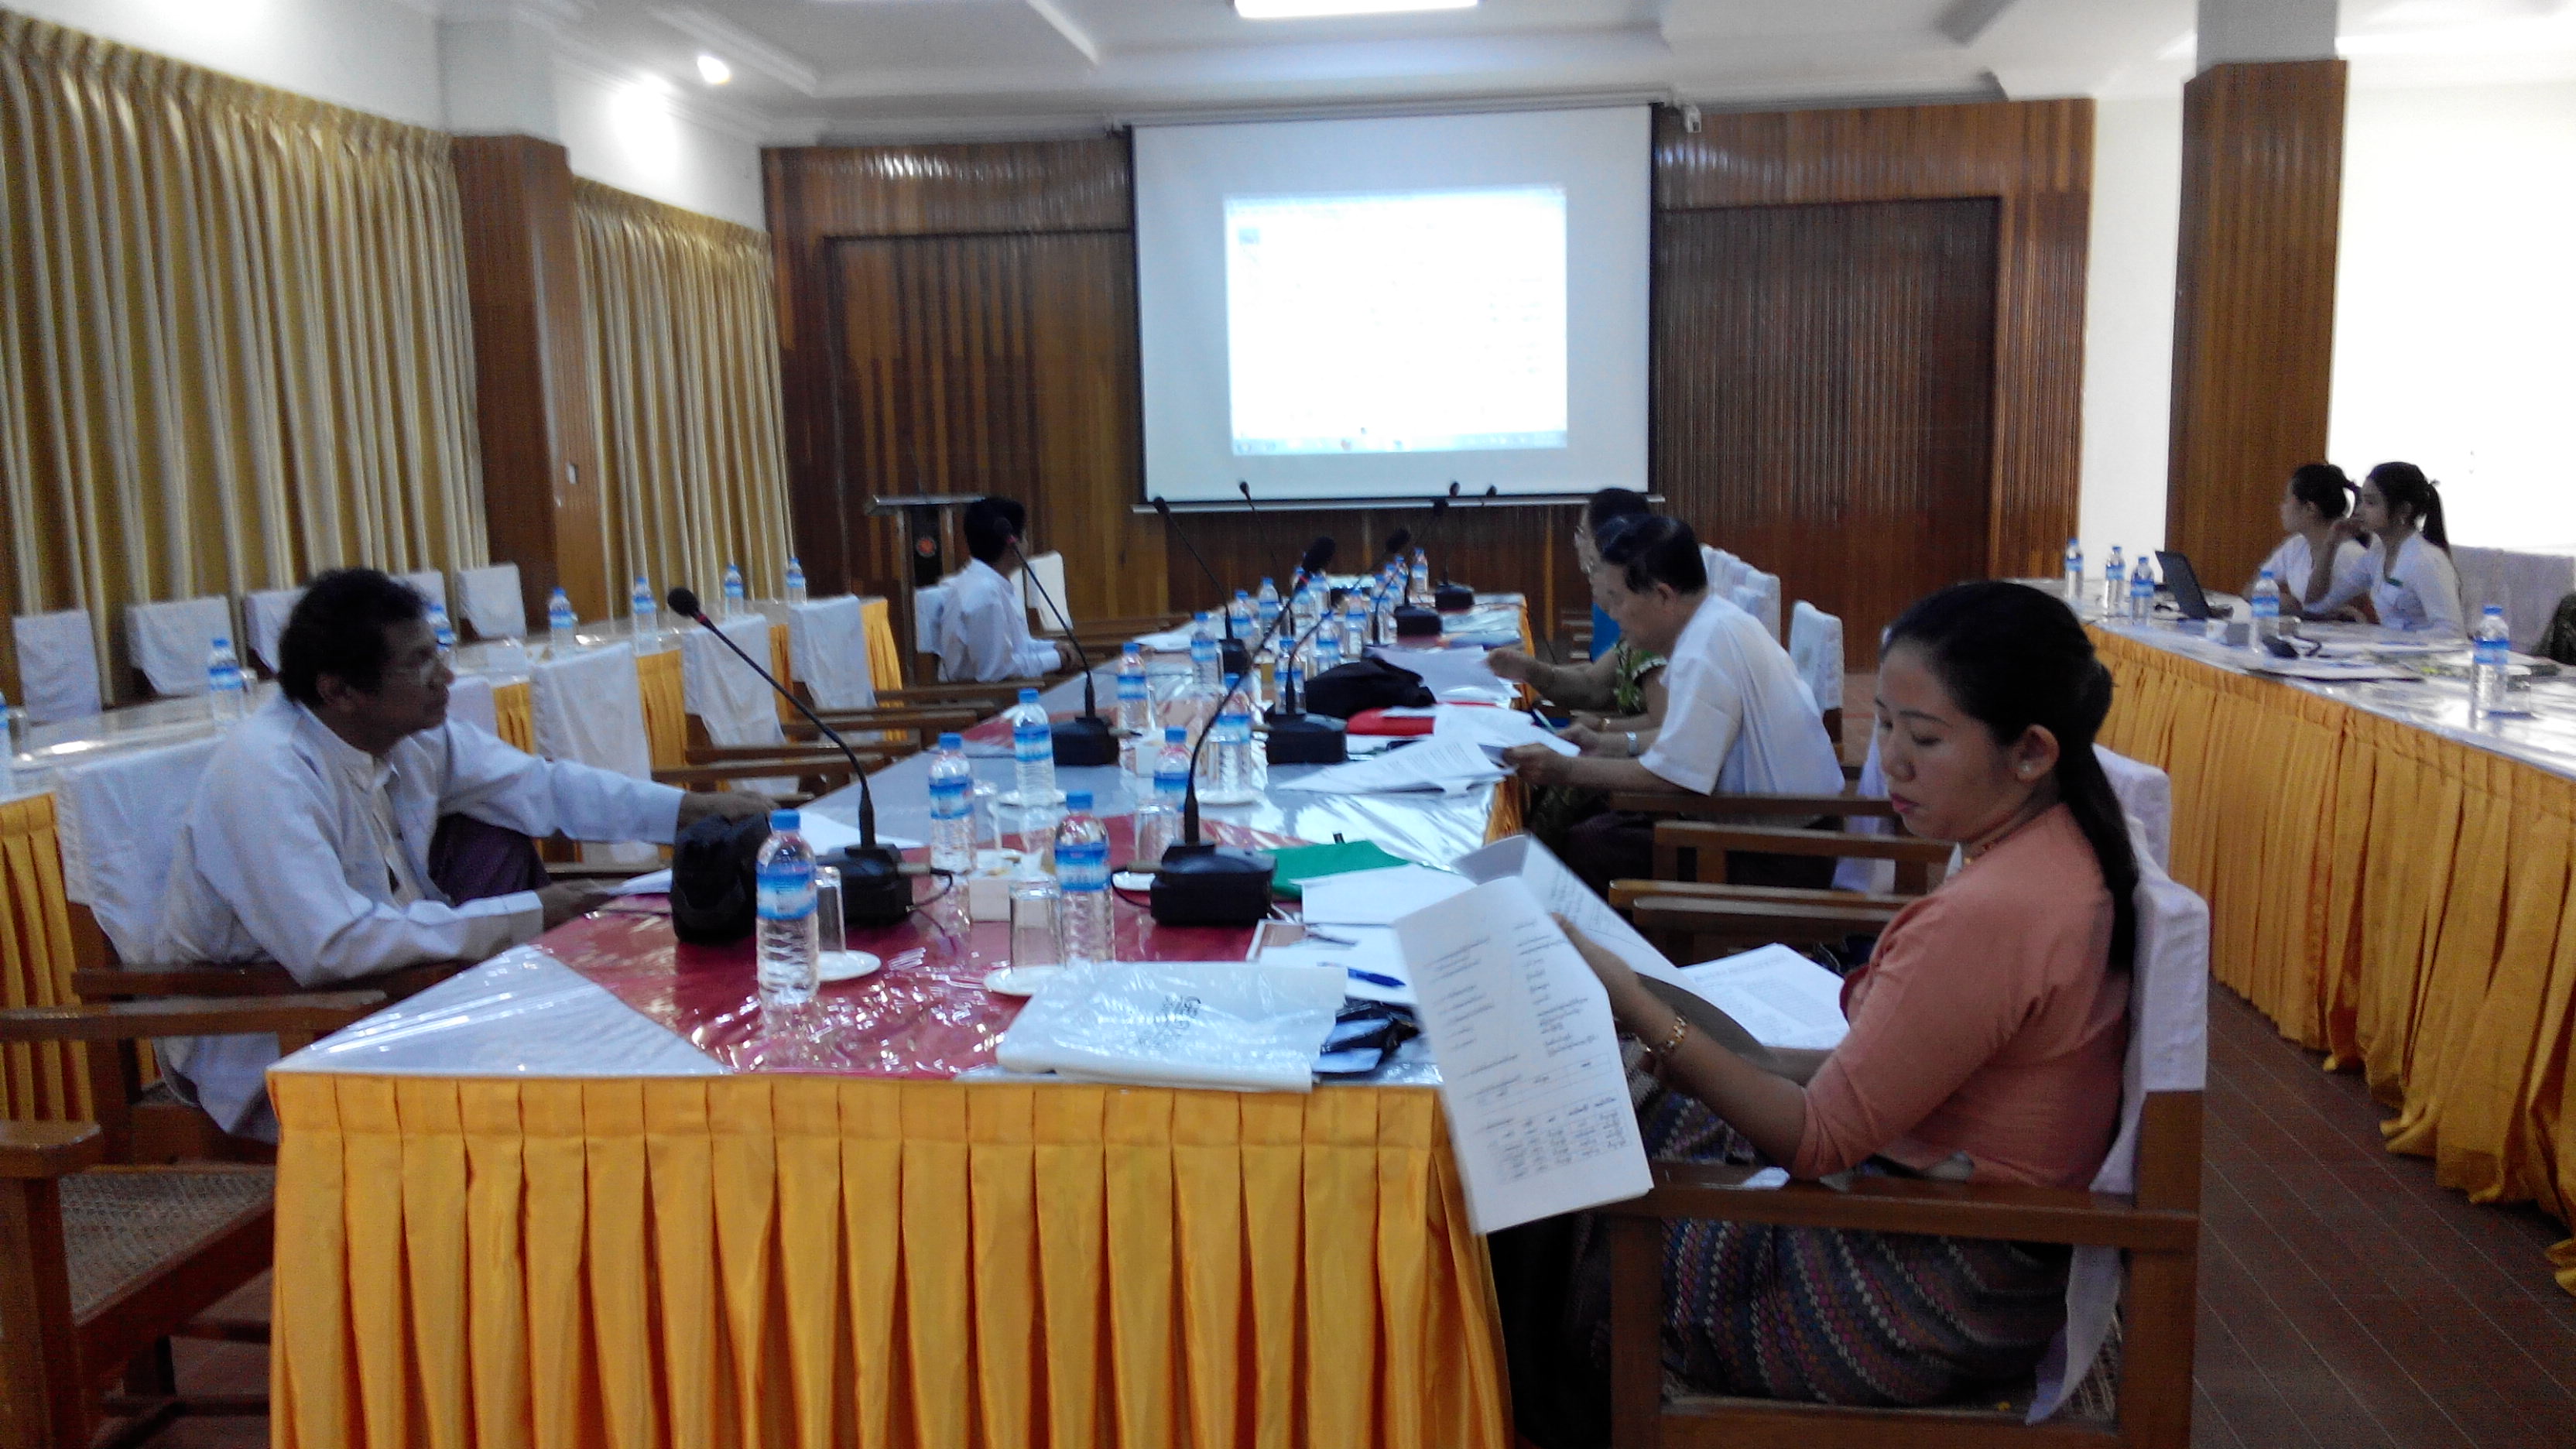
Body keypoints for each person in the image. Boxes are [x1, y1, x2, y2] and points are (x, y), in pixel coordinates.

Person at [1499, 581, 2136, 1441]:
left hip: (1909, 1296)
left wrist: (1632, 1000)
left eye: (1924, 738)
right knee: (1614, 1100)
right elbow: (1892, 1076)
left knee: (1558, 1152)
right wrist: (1689, 1042)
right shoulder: (2057, 851)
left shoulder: (1993, 913)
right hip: (1965, 1249)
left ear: (2030, 752)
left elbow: (1815, 1141)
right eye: (1889, 726)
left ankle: (1551, 1408)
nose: (1891, 761)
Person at [152, 569, 770, 1138]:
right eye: (418, 663)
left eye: (437, 653)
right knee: (559, 1090)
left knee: (603, 1042)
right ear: (339, 691)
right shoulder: (267, 770)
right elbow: (332, 945)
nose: (446, 677)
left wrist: (690, 810)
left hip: (395, 992)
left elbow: (543, 788)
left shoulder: (407, 735)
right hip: (274, 1029)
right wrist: (528, 914)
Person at [1501, 516, 1843, 892]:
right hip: (1766, 827)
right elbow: (1686, 742)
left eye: (1618, 599)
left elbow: (1674, 778)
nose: (1612, 613)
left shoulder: (1705, 648)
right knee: (1596, 816)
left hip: (1779, 853)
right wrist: (1606, 745)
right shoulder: (1714, 623)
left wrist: (1566, 769)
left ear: (1664, 596)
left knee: (1593, 844)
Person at [935, 496, 1064, 682]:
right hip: (985, 698)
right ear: (1013, 544)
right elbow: (997, 672)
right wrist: (1057, 659)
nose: (1027, 544)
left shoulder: (986, 582)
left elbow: (1017, 648)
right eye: (1025, 536)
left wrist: (1054, 649)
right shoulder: (984, 593)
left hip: (1001, 692)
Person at [2339, 461, 2462, 633]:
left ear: (2403, 510)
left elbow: (2452, 632)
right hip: (2390, 648)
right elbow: (2322, 603)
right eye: (2361, 501)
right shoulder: (2376, 555)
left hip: (2421, 650)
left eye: (2371, 503)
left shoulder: (2426, 560)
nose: (2359, 511)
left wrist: (2396, 640)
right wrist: (2331, 545)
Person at [2251, 462, 2372, 617]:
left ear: (2310, 508)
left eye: (2286, 499)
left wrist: (2294, 608)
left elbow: (2315, 605)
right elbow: (2252, 589)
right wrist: (2278, 599)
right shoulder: (2294, 545)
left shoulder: (2352, 556)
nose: (2281, 507)